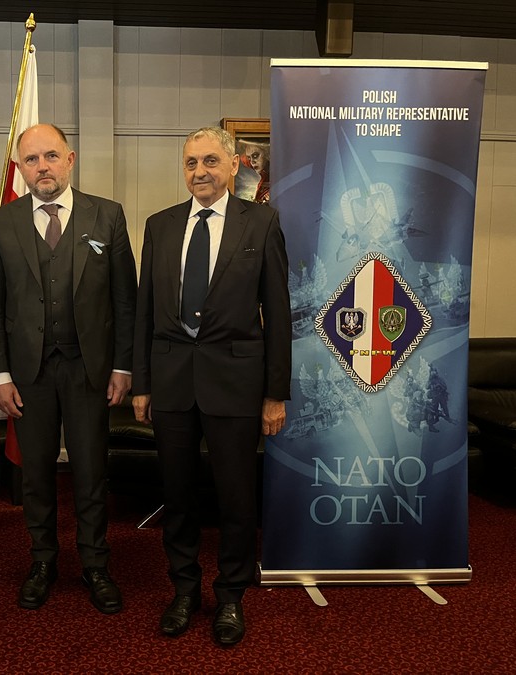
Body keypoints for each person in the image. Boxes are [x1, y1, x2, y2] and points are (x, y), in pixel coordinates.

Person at [132, 127, 291, 646]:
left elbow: (279, 314)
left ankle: (230, 597)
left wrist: (274, 394)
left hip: (237, 384)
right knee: (177, 497)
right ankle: (184, 591)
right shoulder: (159, 225)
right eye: (190, 163)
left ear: (233, 164)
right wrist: (142, 384)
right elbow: (144, 311)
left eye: (209, 161)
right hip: (172, 383)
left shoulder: (261, 222)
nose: (199, 172)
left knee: (236, 499)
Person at [0, 123, 137, 614]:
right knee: (37, 475)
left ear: (70, 159)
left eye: (50, 156)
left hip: (90, 370)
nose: (42, 167)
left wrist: (124, 366)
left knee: (91, 471)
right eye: (31, 159)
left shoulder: (107, 215)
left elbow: (125, 301)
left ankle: (95, 564)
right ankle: (43, 560)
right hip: (28, 375)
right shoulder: (1, 222)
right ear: (20, 168)